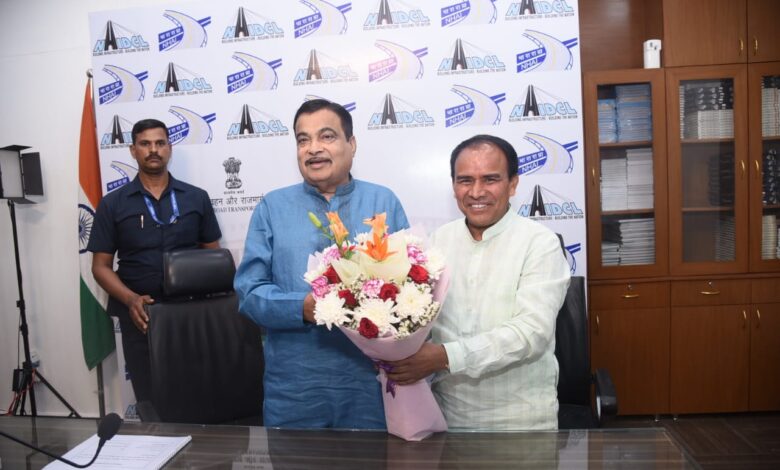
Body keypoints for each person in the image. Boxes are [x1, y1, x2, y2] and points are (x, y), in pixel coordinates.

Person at [234, 99, 409, 429]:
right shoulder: (273, 207)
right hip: (296, 387)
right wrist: (303, 307)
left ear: (351, 144)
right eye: (303, 140)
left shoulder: (382, 201)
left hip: (370, 384)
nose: (313, 148)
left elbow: (412, 286)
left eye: (326, 136)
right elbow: (250, 293)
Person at [385, 134, 570, 430]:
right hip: (446, 416)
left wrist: (445, 356)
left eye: (490, 179)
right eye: (465, 180)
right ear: (454, 186)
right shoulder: (437, 242)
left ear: (513, 184)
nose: (476, 192)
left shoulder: (539, 244)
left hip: (520, 423)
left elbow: (531, 333)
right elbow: (420, 320)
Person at [88, 118, 222, 402]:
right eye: (145, 144)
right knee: (151, 397)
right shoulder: (112, 204)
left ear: (169, 148)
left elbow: (214, 257)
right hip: (141, 317)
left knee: (198, 395)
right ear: (132, 150)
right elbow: (100, 267)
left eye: (160, 143)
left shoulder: (196, 198)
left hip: (191, 315)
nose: (153, 150)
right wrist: (130, 299)